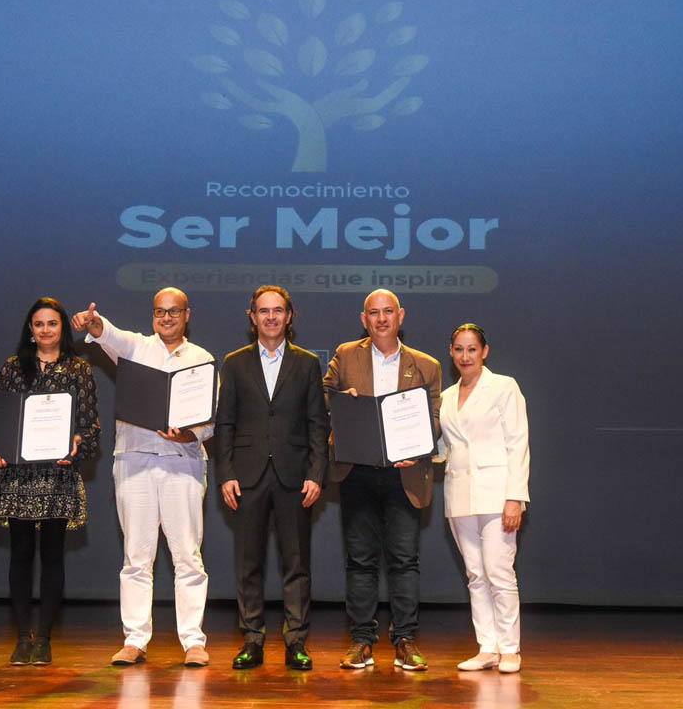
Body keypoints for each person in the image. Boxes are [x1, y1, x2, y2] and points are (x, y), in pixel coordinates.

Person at [70, 289, 213, 668]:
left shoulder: (202, 358)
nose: (166, 318)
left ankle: (193, 641)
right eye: (159, 312)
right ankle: (134, 639)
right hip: (134, 461)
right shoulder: (135, 347)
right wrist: (95, 325)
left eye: (174, 312)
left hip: (182, 462)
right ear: (153, 315)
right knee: (136, 557)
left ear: (187, 314)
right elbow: (109, 335)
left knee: (188, 555)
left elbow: (211, 420)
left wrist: (189, 435)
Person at [323, 289, 441, 671]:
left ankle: (406, 639)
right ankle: (361, 641)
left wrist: (419, 446)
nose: (381, 319)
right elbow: (322, 396)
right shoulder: (345, 355)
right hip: (357, 471)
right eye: (373, 313)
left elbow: (435, 418)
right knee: (360, 562)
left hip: (404, 475)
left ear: (401, 316)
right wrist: (342, 399)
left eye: (388, 311)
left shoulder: (427, 365)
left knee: (405, 561)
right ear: (364, 319)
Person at [215, 286, 328, 671]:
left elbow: (318, 424)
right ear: (252, 317)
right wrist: (226, 474)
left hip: (295, 476)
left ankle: (296, 642)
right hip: (246, 478)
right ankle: (252, 640)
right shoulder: (233, 363)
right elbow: (225, 423)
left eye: (278, 311)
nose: (271, 317)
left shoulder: (308, 363)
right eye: (263, 311)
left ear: (290, 316)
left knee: (296, 564)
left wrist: (317, 474)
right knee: (249, 564)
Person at [0, 297, 101, 667]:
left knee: (53, 554)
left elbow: (90, 428)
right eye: (39, 324)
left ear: (62, 328)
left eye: (52, 323)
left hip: (58, 473)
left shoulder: (79, 369)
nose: (46, 330)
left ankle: (46, 638)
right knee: (20, 554)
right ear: (30, 330)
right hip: (19, 475)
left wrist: (77, 444)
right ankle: (23, 638)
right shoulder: (12, 368)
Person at [439, 323, 530, 674]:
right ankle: (487, 646)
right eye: (459, 349)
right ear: (451, 352)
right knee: (476, 574)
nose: (465, 356)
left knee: (499, 571)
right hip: (459, 495)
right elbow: (445, 448)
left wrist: (514, 497)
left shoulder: (504, 387)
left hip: (497, 495)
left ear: (485, 351)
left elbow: (518, 443)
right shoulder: (446, 396)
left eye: (472, 349)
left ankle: (510, 648)